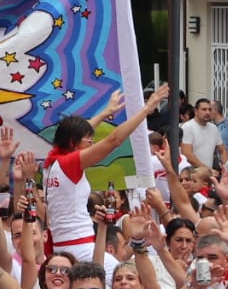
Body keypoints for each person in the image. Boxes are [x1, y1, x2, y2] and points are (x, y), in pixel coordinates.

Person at [43, 83, 171, 261]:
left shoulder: (52, 163)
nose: (93, 145)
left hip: (62, 245)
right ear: (73, 143)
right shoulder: (69, 163)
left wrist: (105, 113)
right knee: (125, 276)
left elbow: (79, 132)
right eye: (89, 141)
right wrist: (146, 109)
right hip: (81, 248)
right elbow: (114, 140)